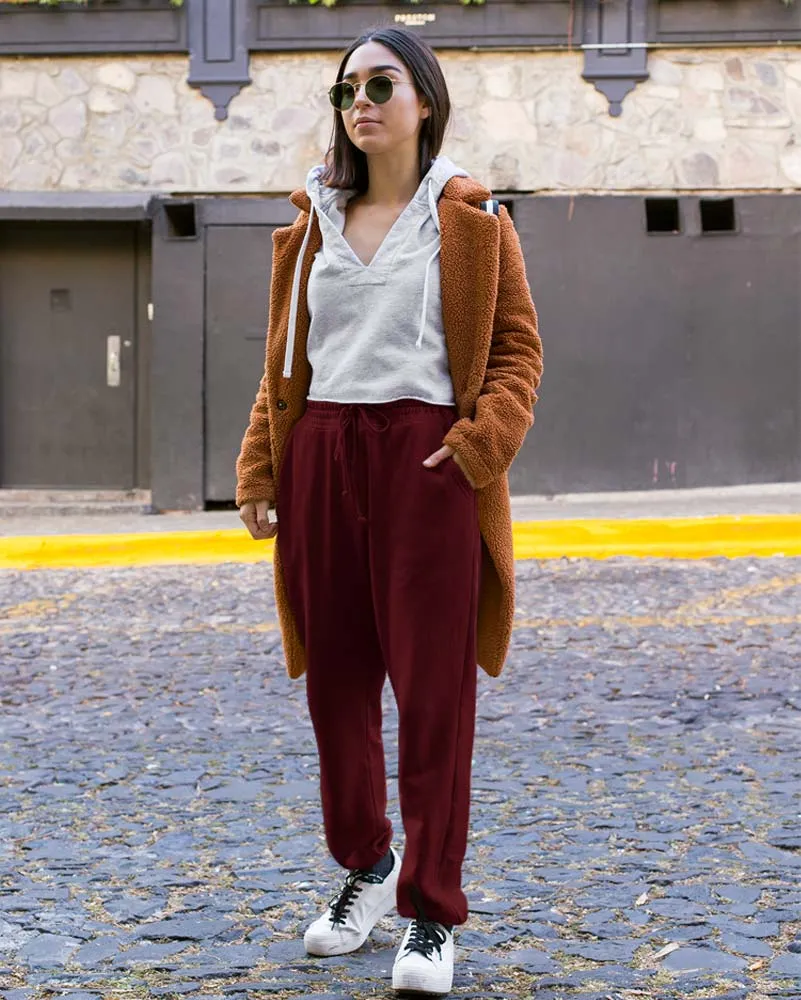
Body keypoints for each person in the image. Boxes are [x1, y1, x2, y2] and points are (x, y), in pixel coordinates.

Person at [236, 24, 543, 996]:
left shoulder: (473, 220)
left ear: (423, 100)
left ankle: (431, 913)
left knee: (435, 695)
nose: (359, 102)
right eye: (345, 89)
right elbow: (284, 365)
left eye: (380, 84)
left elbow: (517, 354)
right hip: (322, 455)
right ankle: (367, 865)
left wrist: (474, 448)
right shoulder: (309, 225)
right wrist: (259, 470)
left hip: (427, 464)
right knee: (336, 690)